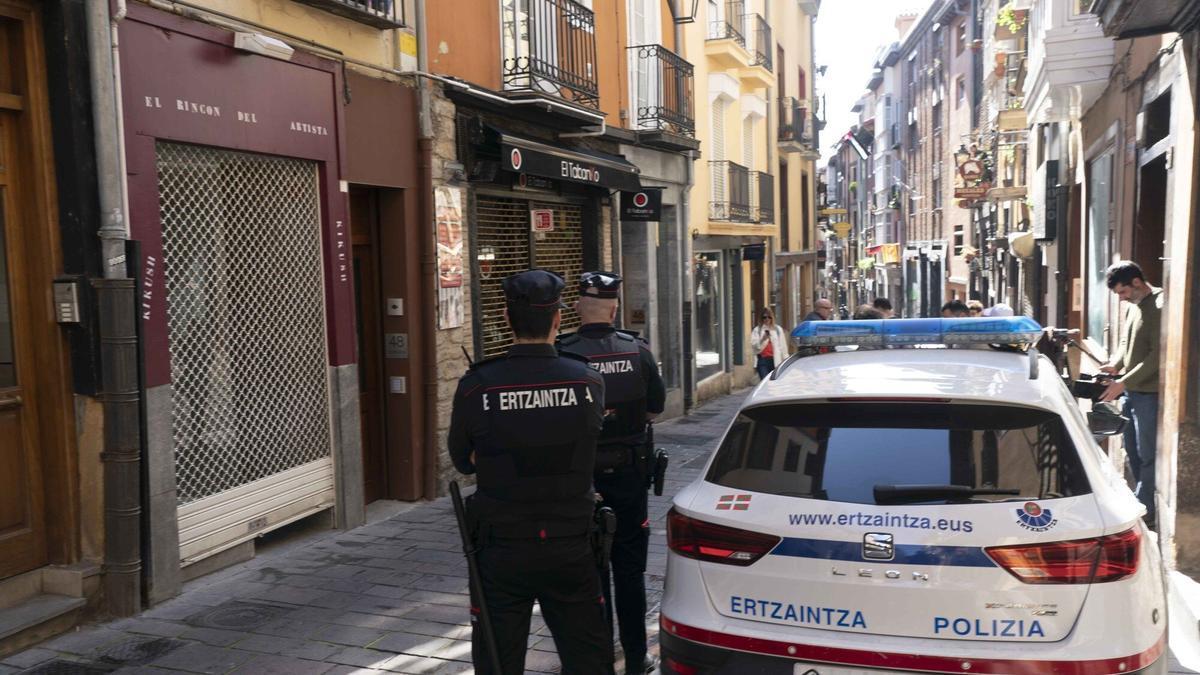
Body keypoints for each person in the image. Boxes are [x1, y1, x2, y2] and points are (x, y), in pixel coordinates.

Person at [448, 269, 613, 675]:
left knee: (498, 661)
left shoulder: (477, 385)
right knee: (588, 658)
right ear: (558, 319)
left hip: (501, 545)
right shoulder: (589, 381)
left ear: (507, 318)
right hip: (571, 542)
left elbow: (462, 459)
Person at [558, 271, 666, 675]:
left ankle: (598, 657)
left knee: (591, 570)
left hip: (582, 479)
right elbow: (656, 407)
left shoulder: (564, 354)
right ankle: (636, 658)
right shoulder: (636, 350)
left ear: (577, 308)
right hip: (629, 476)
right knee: (629, 568)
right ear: (614, 306)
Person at [1098, 260, 1164, 523]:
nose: (1122, 299)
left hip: (1148, 394)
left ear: (1136, 282)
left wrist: (1124, 381)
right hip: (1130, 393)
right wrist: (1114, 364)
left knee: (1148, 455)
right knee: (1132, 451)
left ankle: (1145, 509)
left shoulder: (1160, 305)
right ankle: (1143, 503)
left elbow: (1157, 356)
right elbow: (1126, 343)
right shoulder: (1133, 308)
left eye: (1123, 292)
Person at [750, 308, 789, 380]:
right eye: (764, 317)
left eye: (769, 317)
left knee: (774, 382)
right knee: (765, 381)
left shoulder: (777, 329)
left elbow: (783, 347)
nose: (767, 319)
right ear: (761, 318)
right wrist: (762, 339)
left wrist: (786, 361)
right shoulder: (757, 330)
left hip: (775, 360)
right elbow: (753, 345)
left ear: (772, 318)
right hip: (762, 360)